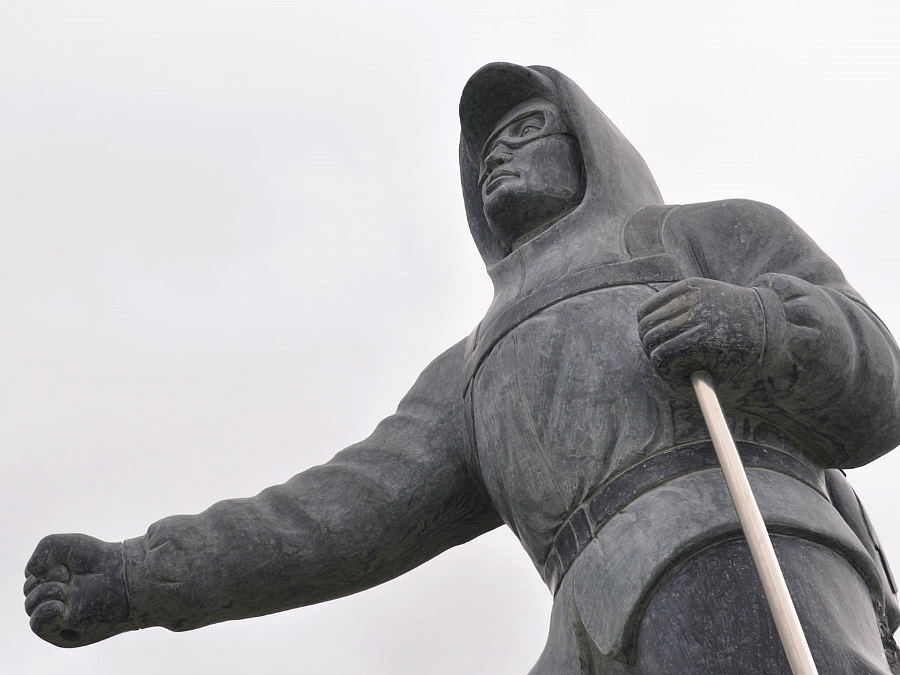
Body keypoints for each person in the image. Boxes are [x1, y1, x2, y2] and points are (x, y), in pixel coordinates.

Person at [24, 62, 900, 673]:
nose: (498, 157)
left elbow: (881, 386)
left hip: (740, 550)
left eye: (526, 130)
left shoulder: (704, 234)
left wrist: (763, 326)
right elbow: (339, 513)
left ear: (590, 145)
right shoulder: (473, 370)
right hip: (585, 632)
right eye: (485, 153)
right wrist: (142, 574)